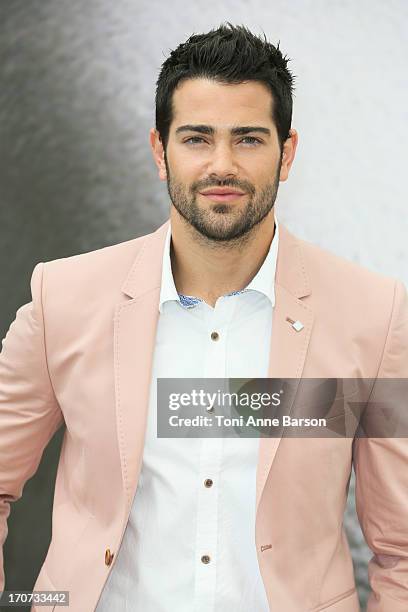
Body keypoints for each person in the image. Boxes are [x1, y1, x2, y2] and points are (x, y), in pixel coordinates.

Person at [0, 22, 407, 612]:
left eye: (247, 139)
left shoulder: (373, 315)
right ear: (159, 151)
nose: (222, 165)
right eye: (196, 138)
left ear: (286, 152)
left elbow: (399, 545)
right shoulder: (63, 297)